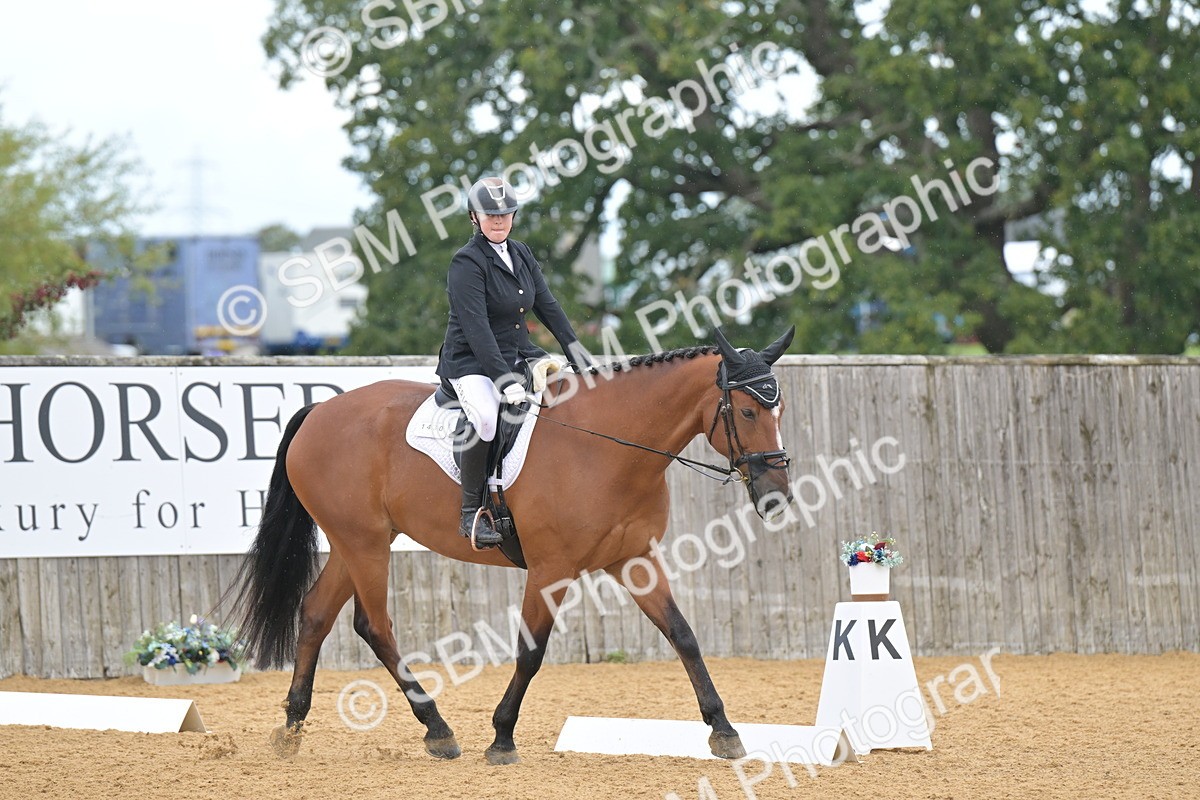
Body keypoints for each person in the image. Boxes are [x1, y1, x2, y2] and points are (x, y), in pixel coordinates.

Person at [435, 177, 591, 548]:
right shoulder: (466, 262)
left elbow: (548, 305)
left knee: (565, 398)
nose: (499, 220)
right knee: (487, 418)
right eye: (490, 214)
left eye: (505, 214)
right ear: (474, 217)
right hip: (470, 362)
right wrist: (503, 379)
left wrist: (577, 351)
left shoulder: (520, 253)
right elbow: (477, 329)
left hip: (519, 353)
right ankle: (471, 513)